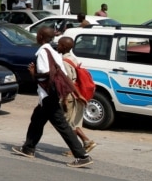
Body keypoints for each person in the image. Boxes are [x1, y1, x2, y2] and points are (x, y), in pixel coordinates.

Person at [12, 26, 93, 168]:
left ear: (41, 37)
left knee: (62, 125)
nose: (36, 36)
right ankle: (28, 148)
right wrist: (77, 94)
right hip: (50, 95)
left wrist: (33, 74)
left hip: (48, 95)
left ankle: (82, 156)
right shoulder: (54, 52)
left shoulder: (43, 52)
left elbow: (46, 74)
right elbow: (64, 76)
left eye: (38, 34)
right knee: (37, 119)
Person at [57, 37, 96, 155]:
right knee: (73, 122)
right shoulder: (73, 58)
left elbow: (67, 81)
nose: (57, 46)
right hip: (77, 93)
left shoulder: (64, 62)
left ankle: (79, 146)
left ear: (64, 46)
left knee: (68, 123)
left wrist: (64, 99)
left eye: (59, 44)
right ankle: (84, 143)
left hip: (71, 95)